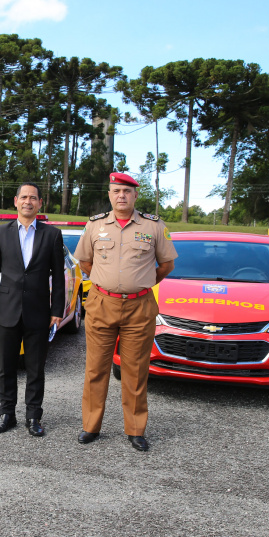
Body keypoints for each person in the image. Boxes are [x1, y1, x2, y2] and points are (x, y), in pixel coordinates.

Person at [73, 172, 177, 451]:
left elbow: (166, 265)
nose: (122, 196)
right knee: (96, 369)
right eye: (117, 191)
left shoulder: (154, 226)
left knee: (135, 370)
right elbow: (85, 262)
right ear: (109, 194)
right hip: (101, 304)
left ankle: (135, 429)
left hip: (139, 306)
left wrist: (138, 285)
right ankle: (91, 426)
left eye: (127, 192)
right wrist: (108, 284)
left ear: (135, 195)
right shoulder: (94, 226)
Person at [0, 183, 65, 437]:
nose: (28, 201)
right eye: (24, 197)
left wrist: (57, 310)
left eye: (33, 198)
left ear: (40, 203)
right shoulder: (0, 232)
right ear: (16, 201)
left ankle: (33, 416)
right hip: (6, 310)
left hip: (39, 311)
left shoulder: (52, 235)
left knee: (35, 367)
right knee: (6, 367)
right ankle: (6, 413)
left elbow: (59, 278)